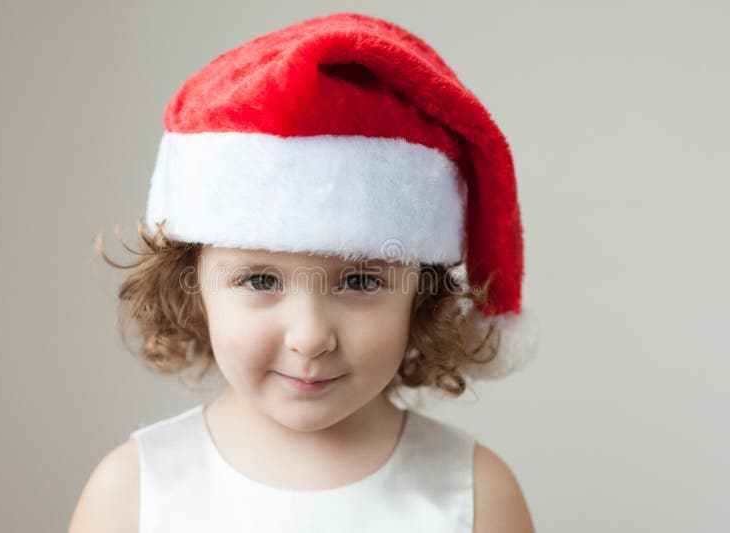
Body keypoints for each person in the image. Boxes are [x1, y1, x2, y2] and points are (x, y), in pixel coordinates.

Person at [69, 12, 540, 533]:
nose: (311, 337)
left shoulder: (476, 496)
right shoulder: (133, 494)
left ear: (422, 296)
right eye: (260, 280)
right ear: (192, 287)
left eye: (361, 281)